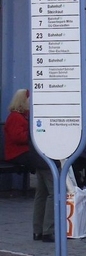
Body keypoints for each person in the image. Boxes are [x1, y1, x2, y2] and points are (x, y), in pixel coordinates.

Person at [5, 89, 53, 241]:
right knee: (53, 191)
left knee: (42, 192)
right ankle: (47, 229)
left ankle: (39, 230)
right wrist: (35, 133)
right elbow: (17, 137)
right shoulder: (17, 118)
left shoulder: (20, 117)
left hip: (29, 153)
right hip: (23, 153)